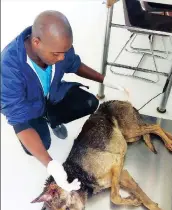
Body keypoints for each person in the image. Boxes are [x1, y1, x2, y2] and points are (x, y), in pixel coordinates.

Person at [1, 10, 119, 192]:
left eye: (64, 51)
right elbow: (19, 121)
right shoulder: (9, 69)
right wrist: (51, 165)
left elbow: (74, 64)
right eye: (57, 54)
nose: (62, 58)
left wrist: (104, 79)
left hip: (52, 94)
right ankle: (43, 119)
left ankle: (51, 118)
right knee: (42, 145)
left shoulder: (57, 46)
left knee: (89, 103)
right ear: (36, 42)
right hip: (29, 109)